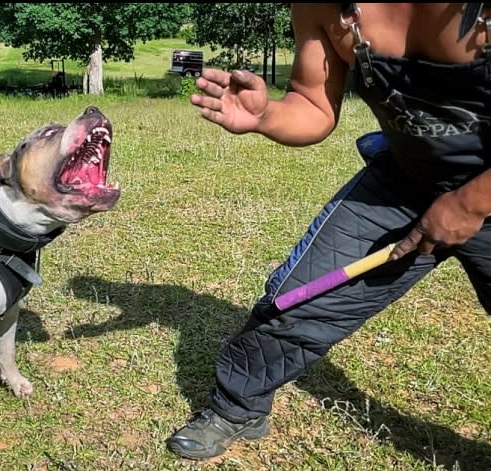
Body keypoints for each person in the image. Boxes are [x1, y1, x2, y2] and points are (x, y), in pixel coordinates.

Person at [166, 2, 491, 460]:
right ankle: (239, 407)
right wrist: (265, 117)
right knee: (300, 300)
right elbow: (313, 104)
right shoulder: (320, 6)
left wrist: (470, 203)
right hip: (404, 184)